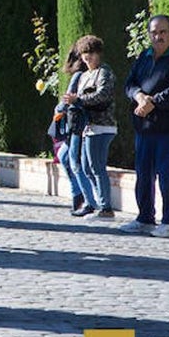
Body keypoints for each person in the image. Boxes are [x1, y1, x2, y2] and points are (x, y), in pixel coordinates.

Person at [120, 15, 169, 237]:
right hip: (144, 126)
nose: (158, 36)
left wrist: (154, 102)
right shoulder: (144, 55)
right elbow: (129, 84)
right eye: (154, 32)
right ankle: (145, 218)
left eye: (163, 32)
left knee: (168, 176)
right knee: (143, 174)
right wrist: (140, 96)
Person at [63, 35, 118, 218]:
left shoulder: (104, 72)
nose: (88, 57)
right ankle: (97, 203)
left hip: (103, 126)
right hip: (88, 126)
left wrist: (78, 99)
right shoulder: (85, 75)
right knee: (86, 167)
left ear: (99, 54)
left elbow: (103, 95)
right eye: (85, 53)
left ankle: (105, 207)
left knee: (97, 167)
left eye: (91, 53)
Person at [49, 46, 97, 215]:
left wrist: (58, 109)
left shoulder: (77, 75)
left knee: (76, 162)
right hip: (79, 123)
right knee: (66, 157)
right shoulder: (88, 74)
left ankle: (84, 198)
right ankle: (79, 195)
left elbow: (67, 100)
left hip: (77, 123)